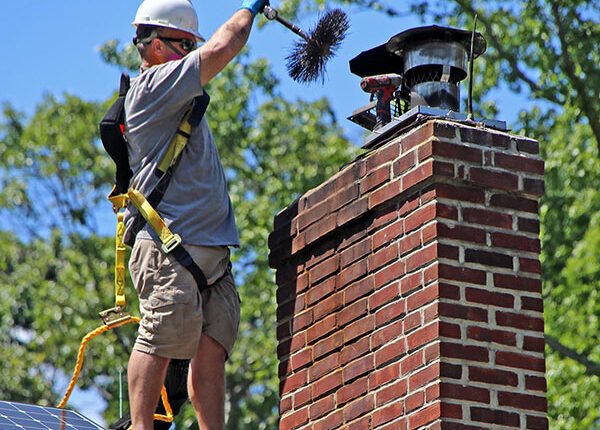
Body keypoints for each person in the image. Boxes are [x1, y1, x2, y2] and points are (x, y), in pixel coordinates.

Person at [121, 0, 267, 429]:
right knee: (162, 335)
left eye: (191, 45)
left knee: (212, 348)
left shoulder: (176, 94)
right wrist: (250, 8)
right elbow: (228, 43)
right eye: (183, 44)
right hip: (170, 246)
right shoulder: (152, 88)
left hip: (211, 258)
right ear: (153, 45)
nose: (190, 54)